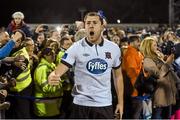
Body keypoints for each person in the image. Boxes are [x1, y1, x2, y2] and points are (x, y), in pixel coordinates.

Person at [48, 12, 124, 119]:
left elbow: (118, 76)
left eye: (94, 23)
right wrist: (52, 76)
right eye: (88, 23)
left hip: (104, 104)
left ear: (102, 26)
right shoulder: (75, 48)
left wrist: (120, 103)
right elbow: (58, 71)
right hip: (80, 105)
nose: (91, 25)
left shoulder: (114, 48)